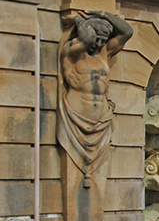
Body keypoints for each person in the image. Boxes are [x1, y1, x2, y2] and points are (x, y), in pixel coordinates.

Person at [57, 10, 133, 188]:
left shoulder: (105, 54)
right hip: (76, 117)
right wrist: (78, 19)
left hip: (101, 120)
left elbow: (127, 32)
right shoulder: (71, 53)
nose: (98, 43)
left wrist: (103, 14)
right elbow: (86, 39)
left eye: (103, 39)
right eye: (97, 38)